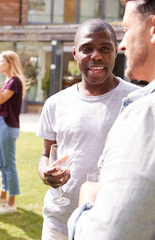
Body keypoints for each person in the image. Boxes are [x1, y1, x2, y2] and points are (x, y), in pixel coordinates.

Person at [36, 19, 140, 240]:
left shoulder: (137, 101)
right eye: (86, 49)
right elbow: (45, 154)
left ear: (115, 51)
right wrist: (46, 173)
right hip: (57, 225)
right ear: (74, 53)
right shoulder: (55, 103)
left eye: (104, 48)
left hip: (110, 226)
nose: (96, 56)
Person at [68, 1, 155, 239]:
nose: (123, 45)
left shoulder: (145, 113)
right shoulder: (58, 102)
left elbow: (111, 233)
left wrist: (87, 200)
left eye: (127, 29)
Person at [0, 50, 27, 214]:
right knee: (2, 163)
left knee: (9, 165)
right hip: (3, 125)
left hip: (8, 126)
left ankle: (11, 203)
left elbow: (0, 99)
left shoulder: (14, 81)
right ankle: (3, 195)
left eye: (2, 61)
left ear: (11, 64)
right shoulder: (9, 80)